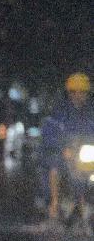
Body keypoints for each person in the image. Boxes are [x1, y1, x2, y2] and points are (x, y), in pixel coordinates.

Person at [40, 72, 94, 220]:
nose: (78, 95)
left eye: (82, 92)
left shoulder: (90, 112)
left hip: (85, 154)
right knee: (54, 167)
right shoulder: (59, 112)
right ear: (69, 93)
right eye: (74, 92)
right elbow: (50, 130)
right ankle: (54, 202)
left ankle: (86, 201)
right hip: (64, 153)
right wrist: (62, 147)